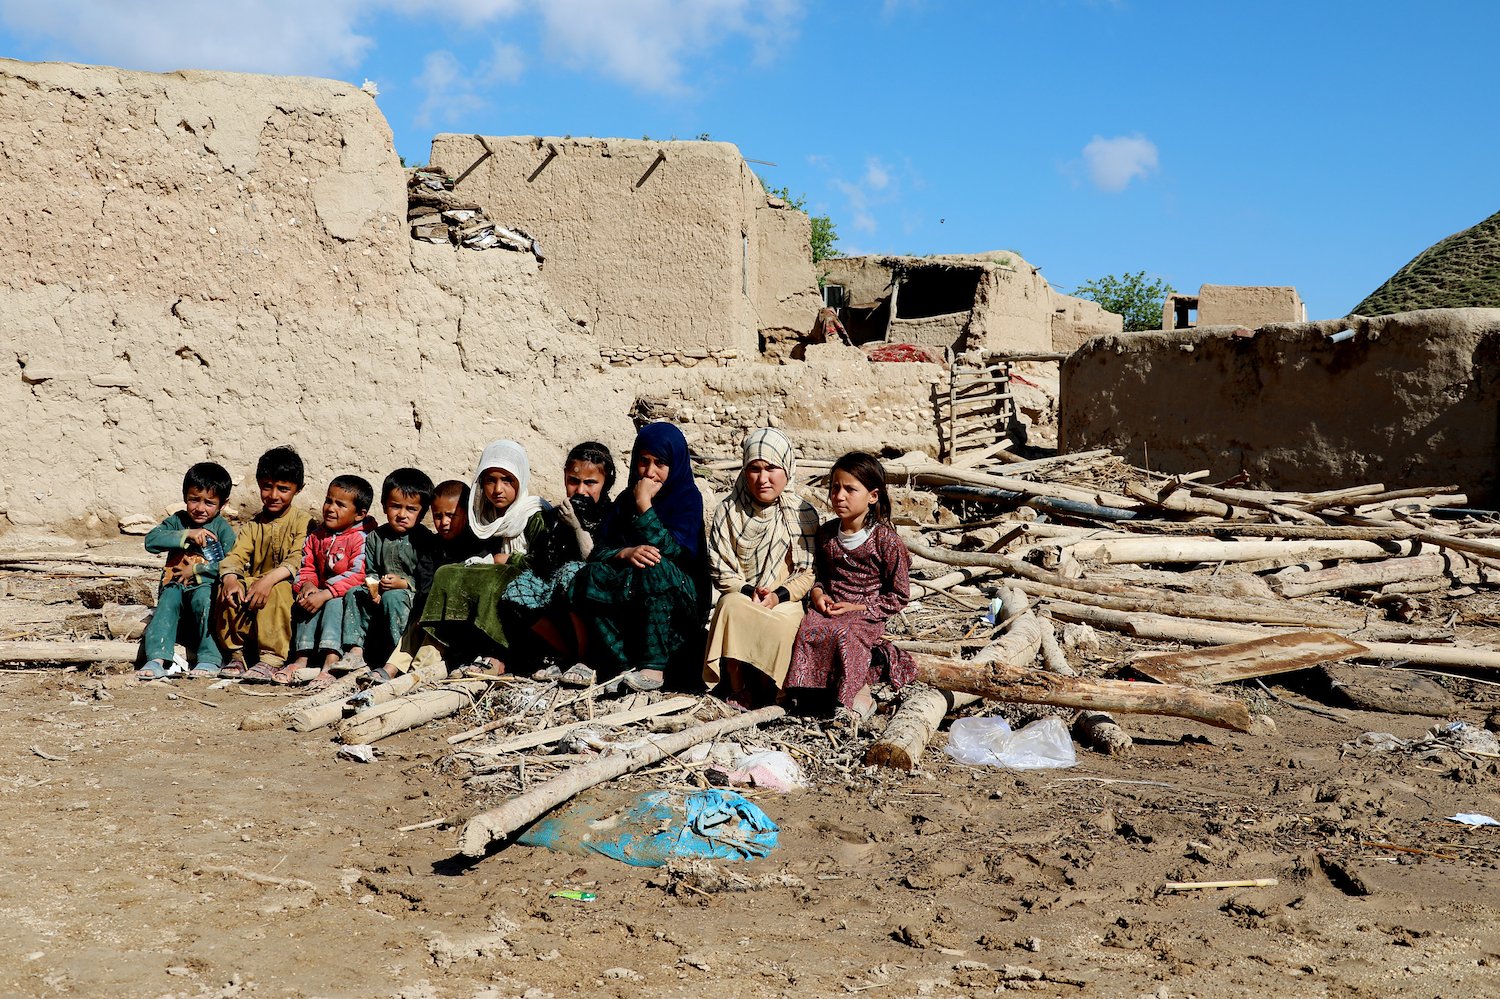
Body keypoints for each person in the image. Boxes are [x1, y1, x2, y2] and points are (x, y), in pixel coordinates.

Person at [568, 422, 707, 693]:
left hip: (680, 597)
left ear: (675, 464)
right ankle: (621, 663)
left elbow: (676, 553)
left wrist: (645, 507)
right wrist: (625, 552)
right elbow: (599, 551)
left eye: (660, 463)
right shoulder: (624, 501)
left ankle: (653, 669)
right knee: (589, 575)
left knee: (655, 565)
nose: (649, 472)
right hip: (634, 587)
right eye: (644, 461)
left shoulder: (687, 499)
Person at [785, 451, 915, 719]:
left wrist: (857, 607)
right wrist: (819, 593)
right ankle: (811, 696)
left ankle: (859, 696)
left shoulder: (886, 542)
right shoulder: (827, 534)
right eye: (835, 488)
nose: (839, 496)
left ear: (873, 496)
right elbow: (820, 575)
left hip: (866, 613)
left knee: (845, 633)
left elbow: (899, 595)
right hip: (831, 606)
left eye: (849, 489)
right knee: (809, 628)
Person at [702, 429, 819, 708]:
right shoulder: (729, 511)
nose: (762, 479)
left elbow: (808, 572)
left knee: (787, 621)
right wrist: (748, 590)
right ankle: (738, 686)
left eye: (771, 468)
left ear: (787, 468)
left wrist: (777, 595)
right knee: (730, 607)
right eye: (754, 469)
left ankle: (773, 688)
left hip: (785, 597)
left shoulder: (803, 513)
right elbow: (720, 565)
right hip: (744, 593)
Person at [417, 441, 548, 677]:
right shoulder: (482, 518)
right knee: (447, 572)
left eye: (507, 480)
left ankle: (497, 656)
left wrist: (509, 560)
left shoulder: (533, 514)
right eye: (491, 480)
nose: (498, 489)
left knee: (492, 580)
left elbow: (546, 562)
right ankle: (450, 650)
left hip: (529, 590)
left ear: (521, 479)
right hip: (494, 577)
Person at [509, 441, 617, 687]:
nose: (580, 490)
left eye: (590, 483)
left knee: (573, 575)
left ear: (606, 482)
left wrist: (577, 528)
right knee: (518, 589)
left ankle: (587, 658)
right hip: (562, 598)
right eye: (573, 481)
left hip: (601, 597)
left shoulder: (613, 515)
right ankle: (566, 653)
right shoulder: (558, 515)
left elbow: (594, 559)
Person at [262, 474, 373, 686]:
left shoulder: (361, 538)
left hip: (344, 596)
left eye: (340, 505)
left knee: (333, 602)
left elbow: (358, 574)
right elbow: (307, 565)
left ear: (359, 514)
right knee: (306, 599)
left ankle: (331, 661)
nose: (331, 508)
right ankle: (301, 658)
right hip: (320, 591)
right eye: (328, 501)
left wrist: (327, 592)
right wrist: (307, 584)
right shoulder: (317, 536)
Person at [215, 446, 310, 679]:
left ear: (298, 490)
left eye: (283, 489)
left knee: (278, 590)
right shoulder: (253, 525)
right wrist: (230, 578)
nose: (273, 495)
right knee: (229, 589)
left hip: (285, 586)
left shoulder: (304, 523)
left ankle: (272, 658)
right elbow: (236, 556)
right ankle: (237, 655)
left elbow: (299, 557)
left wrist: (269, 579)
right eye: (267, 487)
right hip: (256, 587)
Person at [137, 462, 238, 680]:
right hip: (175, 591)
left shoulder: (223, 529)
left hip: (205, 595)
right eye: (194, 499)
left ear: (223, 504)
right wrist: (187, 534)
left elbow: (232, 564)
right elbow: (151, 541)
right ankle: (156, 658)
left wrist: (197, 571)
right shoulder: (178, 521)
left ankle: (210, 658)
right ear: (185, 496)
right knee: (168, 599)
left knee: (205, 599)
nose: (200, 508)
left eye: (209, 502)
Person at [339, 467, 435, 678]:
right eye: (395, 506)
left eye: (411, 509)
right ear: (383, 506)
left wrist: (404, 583)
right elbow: (371, 570)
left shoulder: (425, 540)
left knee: (394, 597)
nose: (402, 514)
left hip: (409, 597)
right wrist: (374, 591)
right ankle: (355, 651)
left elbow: (427, 581)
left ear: (423, 511)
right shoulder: (376, 537)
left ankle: (398, 657)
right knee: (353, 593)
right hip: (381, 594)